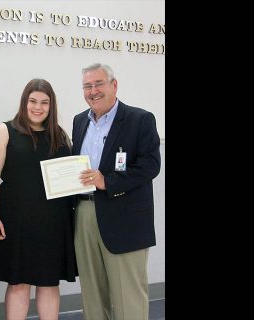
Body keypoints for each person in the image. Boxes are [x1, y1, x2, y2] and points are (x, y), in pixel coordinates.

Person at [72, 63, 161, 320]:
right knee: (92, 294)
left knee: (127, 297)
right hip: (85, 214)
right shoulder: (80, 121)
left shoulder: (140, 119)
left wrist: (108, 181)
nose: (93, 91)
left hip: (126, 219)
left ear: (114, 85)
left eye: (99, 84)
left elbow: (150, 165)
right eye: (87, 86)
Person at [0, 78, 77, 320]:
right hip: (17, 221)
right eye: (33, 101)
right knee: (19, 283)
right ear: (24, 102)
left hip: (53, 222)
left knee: (49, 283)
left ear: (51, 106)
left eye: (44, 102)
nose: (38, 107)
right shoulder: (5, 131)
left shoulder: (60, 134)